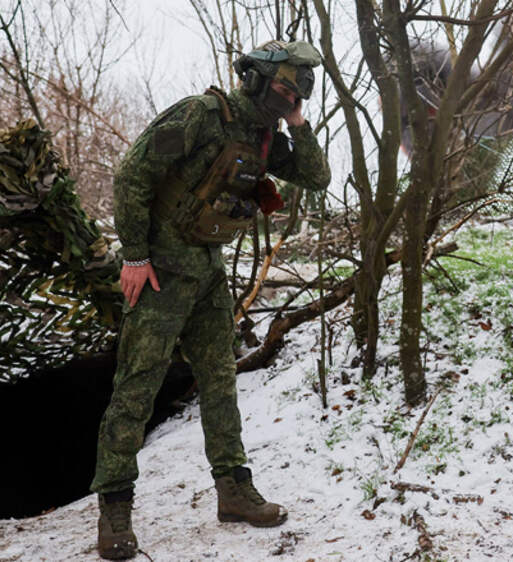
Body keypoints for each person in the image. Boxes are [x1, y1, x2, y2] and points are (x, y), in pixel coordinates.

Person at [91, 40, 330, 560]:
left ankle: (234, 491)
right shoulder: (201, 115)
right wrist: (135, 256)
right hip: (159, 273)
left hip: (208, 274)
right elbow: (132, 175)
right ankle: (114, 507)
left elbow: (316, 177)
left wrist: (298, 125)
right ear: (256, 79)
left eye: (298, 93)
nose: (291, 98)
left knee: (220, 382)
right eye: (286, 88)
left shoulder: (264, 135)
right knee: (137, 387)